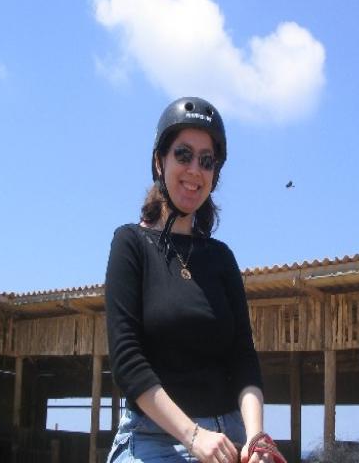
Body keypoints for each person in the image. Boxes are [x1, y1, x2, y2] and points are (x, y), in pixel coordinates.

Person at [104, 97, 286, 463]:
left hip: (231, 437)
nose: (195, 170)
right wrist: (194, 436)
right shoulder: (130, 244)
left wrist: (256, 438)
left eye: (207, 161)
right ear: (160, 161)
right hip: (154, 438)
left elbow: (243, 358)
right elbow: (127, 362)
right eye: (183, 155)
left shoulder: (222, 257)